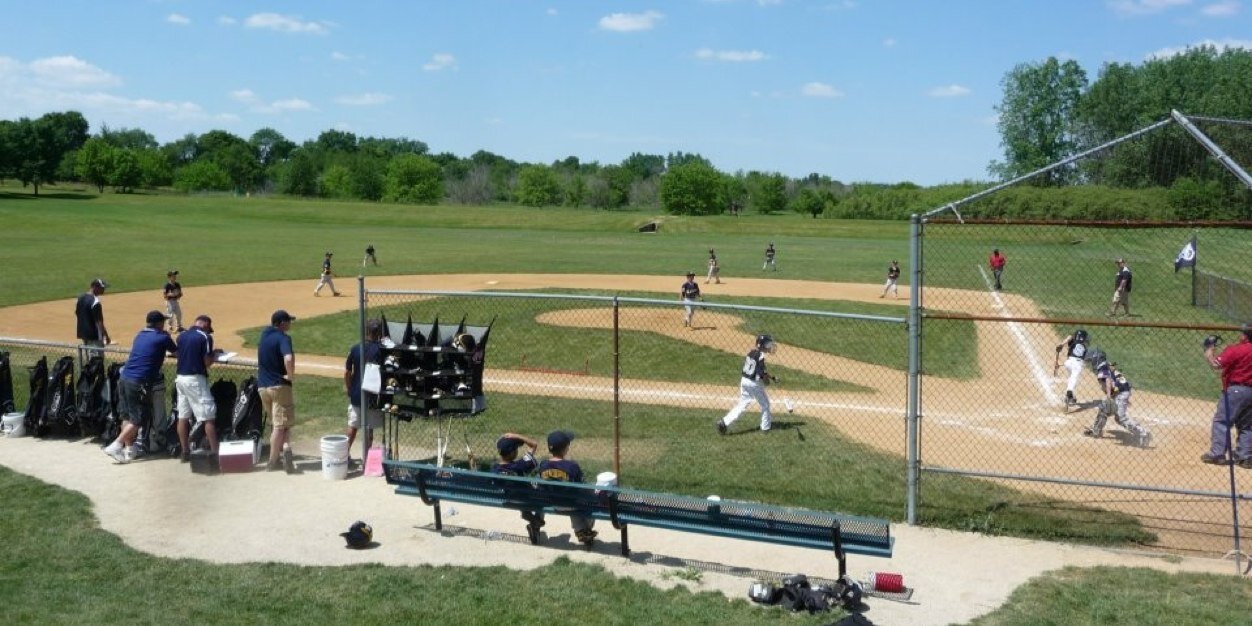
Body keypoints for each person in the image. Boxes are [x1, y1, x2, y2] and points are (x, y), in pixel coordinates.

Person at [102, 311, 177, 463]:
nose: (164, 323)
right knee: (138, 419)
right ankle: (116, 445)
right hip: (139, 382)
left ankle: (129, 450)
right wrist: (167, 337)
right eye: (162, 321)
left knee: (127, 417)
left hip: (124, 378)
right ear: (158, 323)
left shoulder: (140, 334)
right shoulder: (162, 337)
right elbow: (177, 352)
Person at [1201, 324, 1252, 468]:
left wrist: (1209, 349)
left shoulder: (1236, 349)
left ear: (1245, 336)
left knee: (1222, 421)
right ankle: (1245, 457)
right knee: (1247, 425)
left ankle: (1217, 454)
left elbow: (1216, 364)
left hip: (1235, 391)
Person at [1082, 349, 1151, 447]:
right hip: (1122, 391)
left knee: (1120, 417)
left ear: (1096, 359)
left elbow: (1108, 380)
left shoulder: (1102, 368)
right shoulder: (1107, 365)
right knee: (1104, 408)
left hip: (1120, 393)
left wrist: (1109, 396)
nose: (1091, 363)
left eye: (1092, 360)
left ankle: (1143, 433)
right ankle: (1096, 430)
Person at [537, 430, 597, 545]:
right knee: (585, 500)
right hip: (571, 504)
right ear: (566, 448)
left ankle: (581, 530)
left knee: (568, 497)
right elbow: (581, 485)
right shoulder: (572, 466)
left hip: (552, 502)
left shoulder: (543, 465)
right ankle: (583, 529)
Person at [175, 314, 220, 461]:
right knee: (208, 417)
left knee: (183, 416)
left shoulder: (181, 336)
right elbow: (207, 362)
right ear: (205, 324)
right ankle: (215, 454)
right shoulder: (205, 337)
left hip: (180, 379)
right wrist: (215, 355)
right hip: (195, 380)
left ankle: (185, 452)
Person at [258, 309, 298, 472]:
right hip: (279, 387)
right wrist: (290, 375)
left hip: (262, 387)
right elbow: (288, 358)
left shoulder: (264, 336)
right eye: (288, 321)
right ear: (282, 323)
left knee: (282, 422)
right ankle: (273, 461)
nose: (290, 324)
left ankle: (286, 448)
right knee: (279, 426)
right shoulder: (283, 338)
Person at [716, 334, 777, 434]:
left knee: (742, 404)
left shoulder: (751, 353)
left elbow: (760, 369)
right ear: (762, 346)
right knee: (765, 404)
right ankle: (765, 428)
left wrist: (772, 377)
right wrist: (767, 381)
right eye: (768, 344)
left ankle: (724, 422)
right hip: (754, 384)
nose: (769, 346)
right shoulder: (761, 356)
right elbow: (761, 373)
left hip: (744, 381)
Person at [344, 319, 384, 456]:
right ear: (379, 332)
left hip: (356, 394)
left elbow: (347, 372)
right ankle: (366, 459)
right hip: (373, 396)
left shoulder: (355, 348)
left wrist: (349, 388)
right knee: (369, 429)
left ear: (366, 331)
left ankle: (343, 456)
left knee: (352, 427)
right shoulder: (382, 350)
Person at [492, 433, 544, 531]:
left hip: (508, 498)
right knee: (538, 485)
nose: (517, 450)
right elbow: (534, 445)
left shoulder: (494, 469)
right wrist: (516, 435)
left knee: (516, 491)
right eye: (516, 449)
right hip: (525, 498)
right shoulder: (520, 465)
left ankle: (527, 514)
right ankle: (535, 520)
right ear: (512, 453)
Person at [1054, 329, 1090, 411]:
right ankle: (1069, 392)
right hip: (1077, 365)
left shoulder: (1073, 342)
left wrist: (1062, 344)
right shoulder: (1084, 347)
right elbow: (1081, 360)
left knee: (1071, 378)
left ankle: (1070, 397)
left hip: (1068, 363)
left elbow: (1069, 336)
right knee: (1074, 378)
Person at [75, 278, 111, 347]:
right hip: (94, 336)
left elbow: (77, 313)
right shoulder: (95, 302)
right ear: (94, 287)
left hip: (83, 333)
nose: (103, 290)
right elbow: (99, 322)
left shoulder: (80, 298)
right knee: (96, 357)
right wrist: (106, 336)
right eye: (102, 288)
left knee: (87, 355)